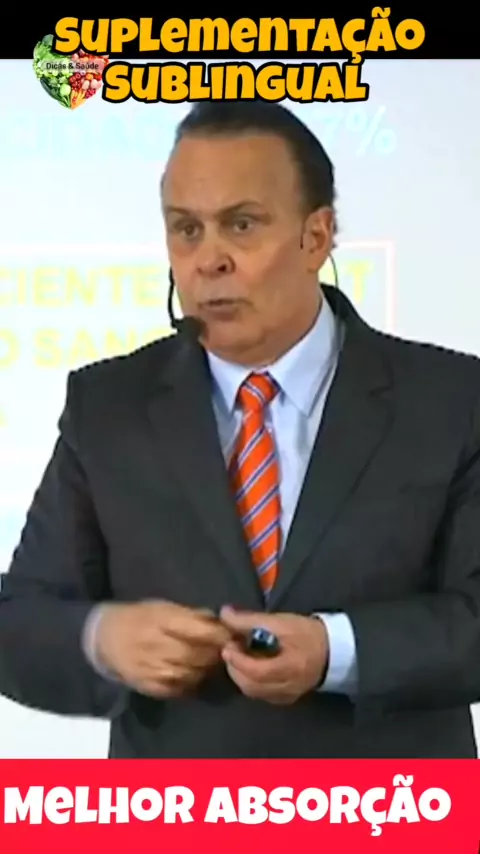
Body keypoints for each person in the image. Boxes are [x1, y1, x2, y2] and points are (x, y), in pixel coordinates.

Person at [1, 100, 480, 760]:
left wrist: (335, 651)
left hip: (391, 806)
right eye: (186, 229)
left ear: (317, 237)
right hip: (178, 809)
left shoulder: (453, 400)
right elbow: (19, 623)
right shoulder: (107, 406)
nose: (208, 260)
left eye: (242, 225)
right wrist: (102, 638)